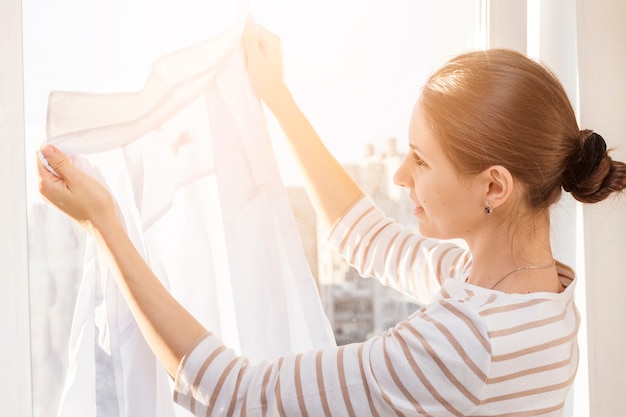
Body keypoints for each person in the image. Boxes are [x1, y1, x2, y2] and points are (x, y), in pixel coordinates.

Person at [37, 20, 626, 416]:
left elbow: (238, 395)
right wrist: (279, 99)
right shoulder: (540, 295)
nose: (400, 176)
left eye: (420, 160)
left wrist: (107, 226)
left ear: (494, 186)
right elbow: (370, 240)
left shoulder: (466, 341)